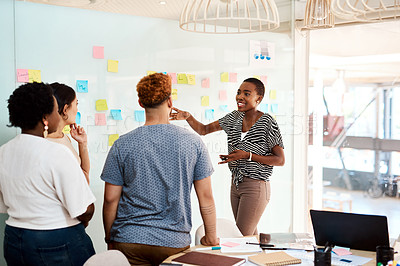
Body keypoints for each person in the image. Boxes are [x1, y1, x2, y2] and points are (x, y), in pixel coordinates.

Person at [101, 73, 218, 266]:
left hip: (130, 239)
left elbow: (110, 199)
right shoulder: (193, 142)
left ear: (140, 103)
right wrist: (211, 237)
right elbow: (206, 197)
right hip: (173, 243)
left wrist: (109, 238)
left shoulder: (123, 144)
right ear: (170, 101)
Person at [170, 77, 285, 236]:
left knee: (241, 236)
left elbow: (280, 159)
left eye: (246, 93)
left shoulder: (267, 122)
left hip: (256, 186)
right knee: (249, 237)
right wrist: (188, 117)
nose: (240, 97)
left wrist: (247, 155)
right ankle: (264, 260)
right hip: (236, 185)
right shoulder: (234, 118)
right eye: (238, 92)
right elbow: (203, 130)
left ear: (258, 98)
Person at [0, 82, 96, 266]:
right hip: (56, 241)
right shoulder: (56, 152)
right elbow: (85, 209)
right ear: (45, 117)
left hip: (13, 239)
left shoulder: (3, 152)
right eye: (54, 110)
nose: (57, 115)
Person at [48, 82, 90, 184]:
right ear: (66, 109)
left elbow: (84, 176)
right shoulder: (47, 143)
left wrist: (82, 144)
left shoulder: (64, 137)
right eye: (76, 104)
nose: (77, 109)